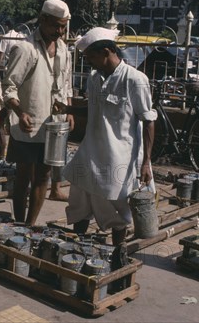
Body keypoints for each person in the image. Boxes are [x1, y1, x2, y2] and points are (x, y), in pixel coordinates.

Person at [53, 27, 157, 251]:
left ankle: (119, 253)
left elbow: (148, 121)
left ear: (107, 52)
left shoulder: (135, 80)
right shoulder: (94, 79)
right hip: (91, 151)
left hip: (119, 156)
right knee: (81, 198)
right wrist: (69, 108)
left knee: (118, 206)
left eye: (91, 56)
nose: (88, 61)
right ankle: (75, 248)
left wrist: (146, 162)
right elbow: (93, 110)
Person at [2, 0, 74, 226]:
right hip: (28, 124)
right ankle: (19, 222)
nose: (60, 32)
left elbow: (67, 84)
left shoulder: (64, 50)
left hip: (54, 125)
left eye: (63, 27)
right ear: (43, 20)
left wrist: (69, 109)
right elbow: (9, 87)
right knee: (23, 175)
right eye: (56, 26)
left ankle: (30, 225)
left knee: (44, 175)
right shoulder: (25, 49)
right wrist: (20, 112)